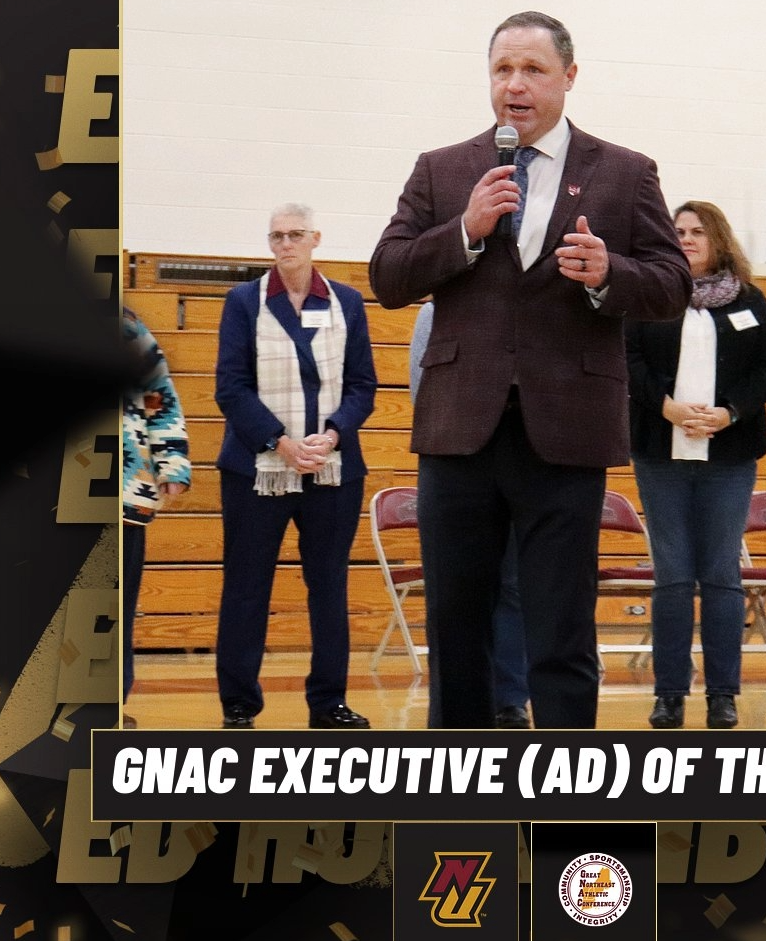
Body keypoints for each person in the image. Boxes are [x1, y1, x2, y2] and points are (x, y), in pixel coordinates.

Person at [370, 10, 692, 729]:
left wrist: (611, 273)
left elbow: (672, 283)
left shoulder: (625, 172)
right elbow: (387, 275)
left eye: (533, 70)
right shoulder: (444, 169)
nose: (514, 85)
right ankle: (460, 786)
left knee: (561, 625)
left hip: (566, 428)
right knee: (458, 624)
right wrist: (463, 232)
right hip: (460, 431)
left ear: (569, 78)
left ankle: (567, 787)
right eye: (502, 70)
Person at [214, 203, 376, 730]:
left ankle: (329, 704)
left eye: (296, 234)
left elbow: (362, 387)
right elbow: (230, 387)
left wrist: (332, 436)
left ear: (315, 239)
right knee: (245, 587)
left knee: (328, 588)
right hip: (255, 470)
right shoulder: (243, 301)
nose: (286, 244)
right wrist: (280, 443)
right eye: (277, 236)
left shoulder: (348, 302)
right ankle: (239, 704)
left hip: (332, 472)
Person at [625, 202, 766, 731]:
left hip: (729, 456)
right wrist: (666, 406)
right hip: (659, 452)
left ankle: (722, 696)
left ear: (718, 238)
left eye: (697, 231)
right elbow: (629, 364)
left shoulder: (750, 300)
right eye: (679, 231)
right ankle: (669, 695)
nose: (687, 238)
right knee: (671, 576)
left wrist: (728, 412)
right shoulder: (648, 297)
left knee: (719, 574)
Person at [408, 299, 531, 729]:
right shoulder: (431, 315)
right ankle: (455, 708)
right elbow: (421, 390)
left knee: (513, 587)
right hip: (458, 467)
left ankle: (512, 698)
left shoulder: (521, 311)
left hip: (520, 465)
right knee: (457, 597)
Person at [122, 307, 191, 729]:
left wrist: (173, 464)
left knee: (116, 609)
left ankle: (109, 702)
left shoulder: (129, 330)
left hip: (124, 495)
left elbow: (161, 397)